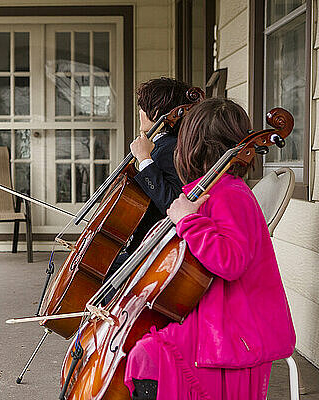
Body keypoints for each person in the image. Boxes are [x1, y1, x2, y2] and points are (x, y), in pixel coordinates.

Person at [123, 98, 296, 399]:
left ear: (192, 145)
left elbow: (229, 261)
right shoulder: (209, 190)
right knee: (140, 349)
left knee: (146, 353)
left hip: (232, 324)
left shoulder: (230, 195)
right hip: (213, 310)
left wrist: (188, 221)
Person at [103, 78, 193, 299]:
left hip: (157, 250)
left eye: (143, 108)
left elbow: (172, 203)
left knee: (105, 278)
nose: (140, 112)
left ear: (158, 111)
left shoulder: (172, 148)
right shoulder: (161, 143)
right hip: (143, 243)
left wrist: (144, 159)